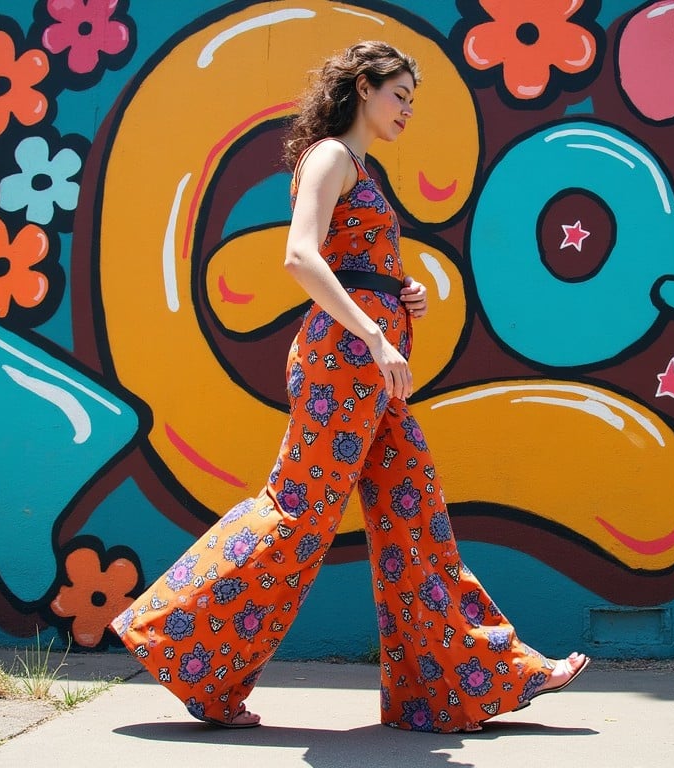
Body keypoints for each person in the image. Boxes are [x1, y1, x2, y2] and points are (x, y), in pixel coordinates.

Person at [110, 40, 589, 733]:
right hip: (344, 362)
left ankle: (464, 684)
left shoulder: (363, 168)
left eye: (412, 102)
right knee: (297, 515)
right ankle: (181, 649)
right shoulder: (331, 154)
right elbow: (300, 255)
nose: (407, 111)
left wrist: (401, 291)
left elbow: (347, 259)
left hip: (366, 366)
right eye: (399, 95)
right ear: (363, 87)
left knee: (413, 517)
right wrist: (374, 330)